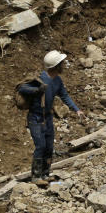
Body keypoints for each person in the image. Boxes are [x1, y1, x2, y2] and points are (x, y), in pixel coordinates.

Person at [17, 51, 85, 187]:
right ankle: (36, 177)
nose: (64, 65)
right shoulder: (40, 79)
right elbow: (21, 87)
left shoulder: (58, 80)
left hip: (47, 118)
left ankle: (45, 174)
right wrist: (37, 90)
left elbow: (65, 96)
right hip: (35, 118)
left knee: (49, 147)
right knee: (40, 146)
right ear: (56, 66)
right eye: (61, 63)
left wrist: (76, 109)